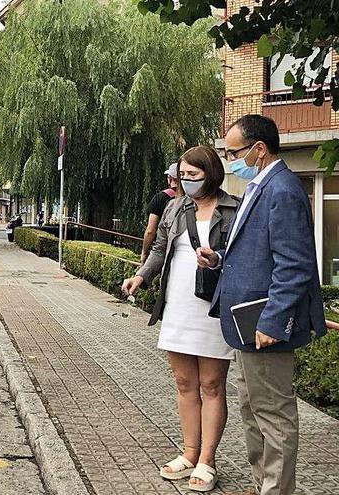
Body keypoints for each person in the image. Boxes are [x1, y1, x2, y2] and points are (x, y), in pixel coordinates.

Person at [197, 115, 326, 495]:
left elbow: (295, 265)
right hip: (245, 326)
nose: (229, 158)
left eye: (233, 151)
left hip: (264, 326)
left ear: (259, 149)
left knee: (274, 417)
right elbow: (256, 252)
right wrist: (219, 259)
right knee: (252, 413)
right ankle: (260, 485)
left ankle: (275, 490)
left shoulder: (282, 190)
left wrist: (272, 321)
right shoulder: (258, 186)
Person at [123, 146, 239, 492]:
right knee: (185, 384)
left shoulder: (233, 208)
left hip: (214, 307)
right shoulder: (175, 206)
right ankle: (189, 453)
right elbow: (160, 249)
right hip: (178, 305)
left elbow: (243, 256)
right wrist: (141, 275)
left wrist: (217, 259)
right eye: (182, 175)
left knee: (212, 386)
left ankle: (207, 460)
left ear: (212, 174)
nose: (185, 181)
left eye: (193, 175)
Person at [141, 163, 180, 264]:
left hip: (164, 248)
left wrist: (144, 253)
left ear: (170, 179)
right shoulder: (193, 198)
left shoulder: (160, 198)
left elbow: (150, 230)